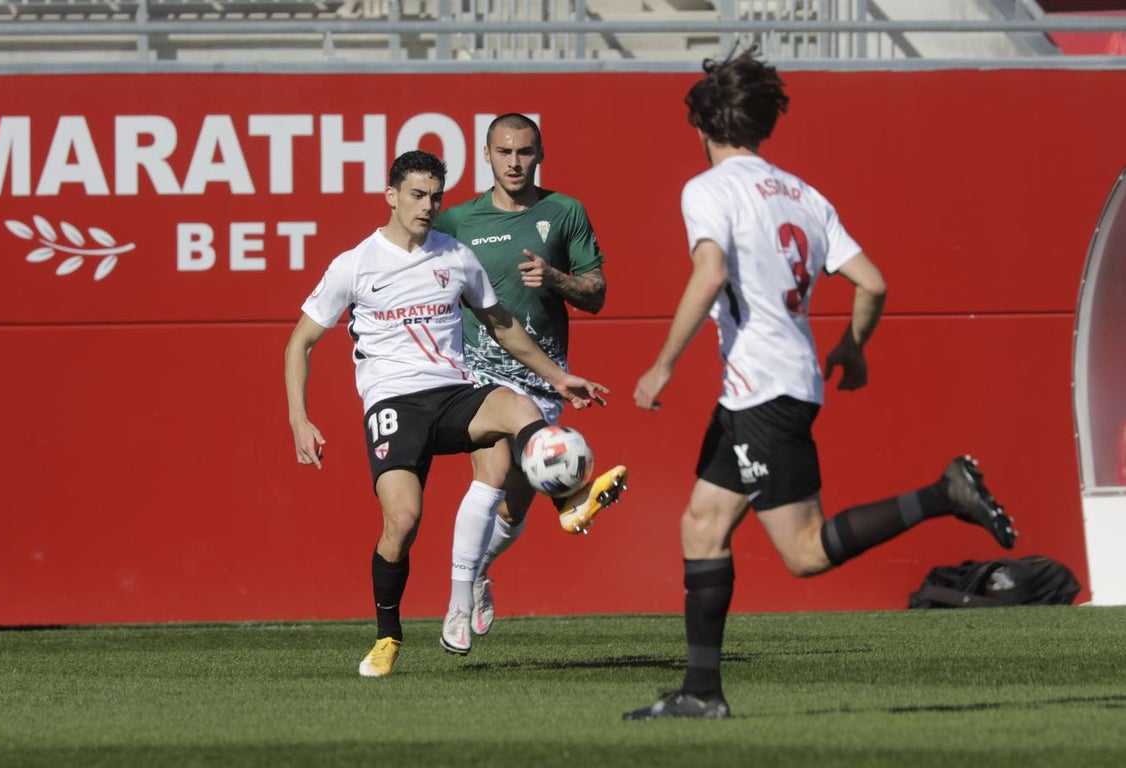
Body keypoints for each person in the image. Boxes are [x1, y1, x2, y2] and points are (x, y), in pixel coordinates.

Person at [623, 48, 1017, 721]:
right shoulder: (802, 194)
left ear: (702, 125)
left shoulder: (709, 189)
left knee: (804, 554)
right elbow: (873, 281)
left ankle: (943, 492)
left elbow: (711, 271)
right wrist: (853, 349)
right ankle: (701, 692)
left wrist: (662, 362)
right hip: (780, 385)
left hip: (761, 392)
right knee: (701, 525)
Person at [284, 150, 609, 679]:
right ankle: (388, 635)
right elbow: (300, 343)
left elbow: (501, 323)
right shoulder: (355, 264)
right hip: (393, 402)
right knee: (403, 521)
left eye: (436, 196)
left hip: (454, 392)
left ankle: (570, 498)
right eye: (417, 194)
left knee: (520, 406)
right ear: (391, 196)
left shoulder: (455, 256)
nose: (429, 205)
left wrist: (557, 377)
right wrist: (300, 418)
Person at [432, 113, 626, 656]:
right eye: (503, 152)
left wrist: (559, 279)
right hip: (483, 378)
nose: (514, 162)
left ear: (539, 155)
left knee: (513, 511)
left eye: (524, 152)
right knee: (491, 473)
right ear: (486, 155)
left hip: (542, 379)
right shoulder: (456, 221)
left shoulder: (564, 212)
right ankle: (456, 603)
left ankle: (479, 570)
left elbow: (597, 293)